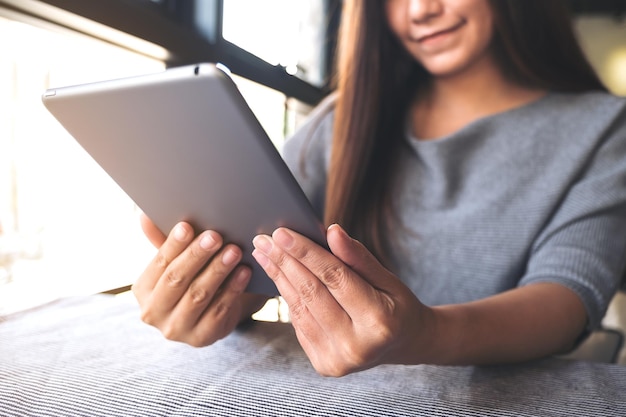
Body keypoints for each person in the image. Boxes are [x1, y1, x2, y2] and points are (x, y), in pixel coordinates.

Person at [132, 0, 626, 376]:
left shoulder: (606, 129)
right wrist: (221, 295)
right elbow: (267, 239)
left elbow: (567, 297)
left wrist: (426, 334)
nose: (421, 10)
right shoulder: (340, 121)